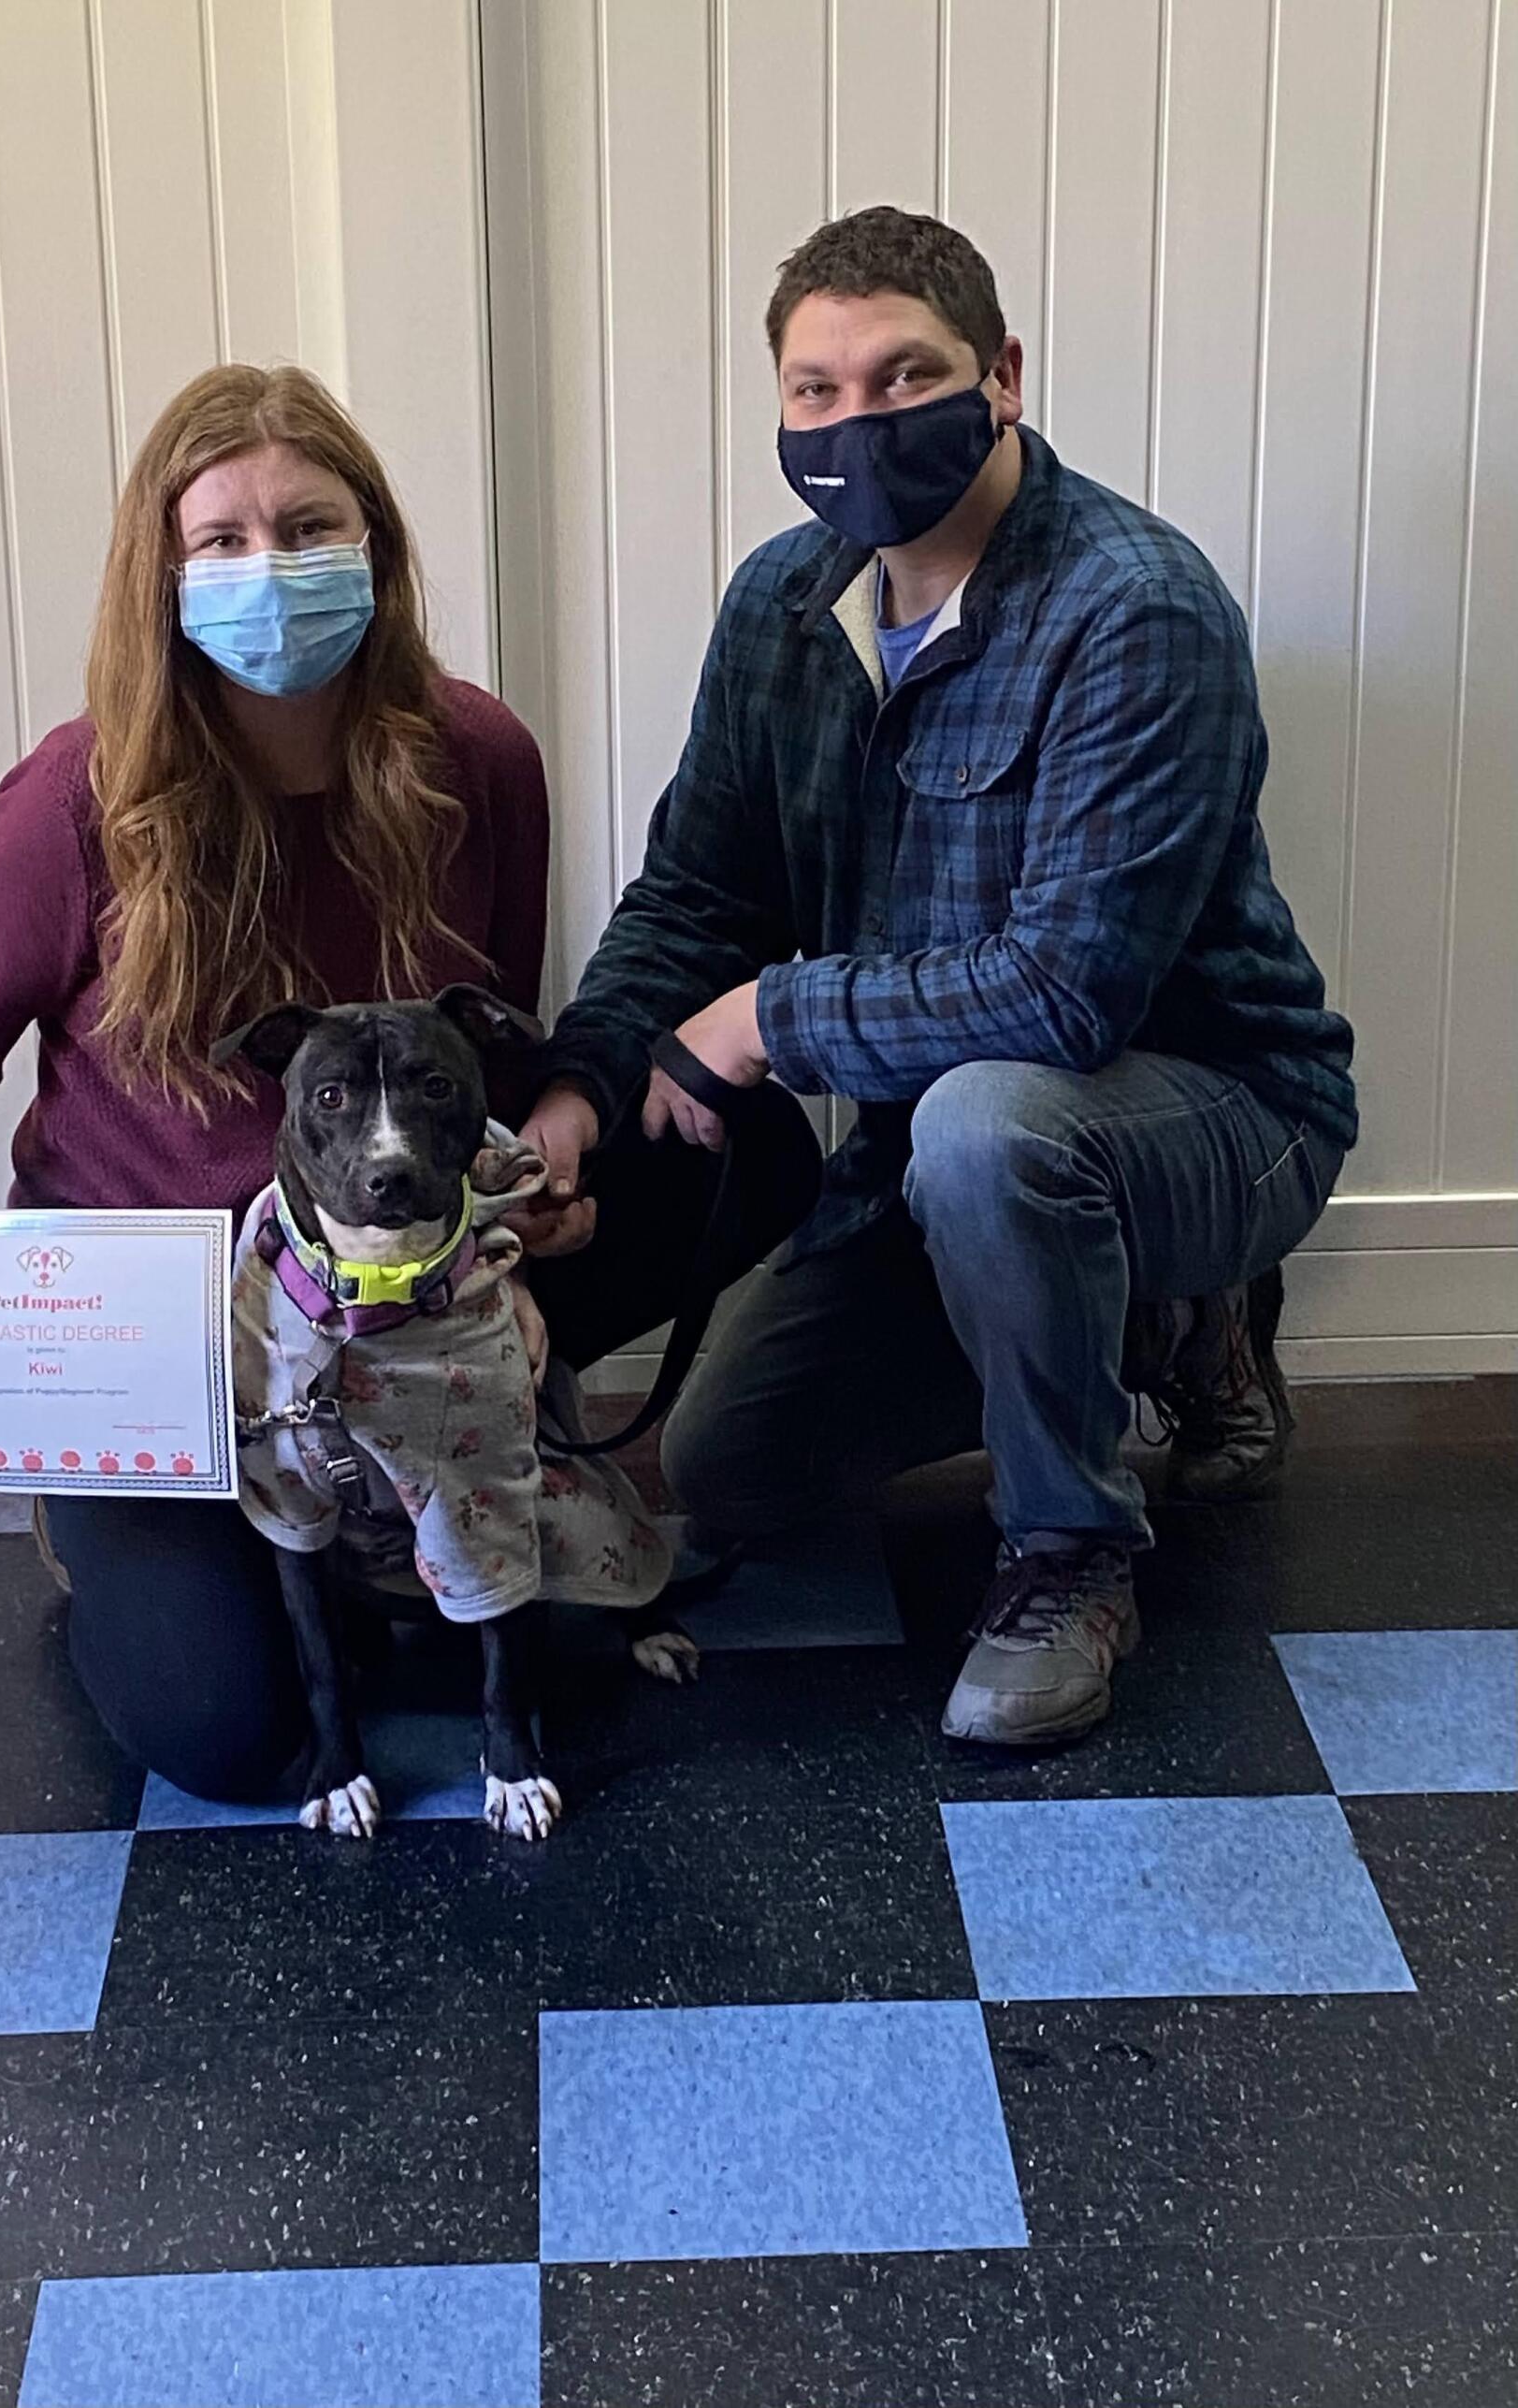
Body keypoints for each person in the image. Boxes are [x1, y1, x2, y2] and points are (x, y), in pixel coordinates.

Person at [0, 362, 817, 1802]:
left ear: (379, 550)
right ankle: (166, 1518)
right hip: (179, 1335)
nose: (268, 570)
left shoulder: (480, 758)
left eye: (307, 528)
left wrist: (529, 1201)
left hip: (423, 1256)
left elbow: (498, 1040)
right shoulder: (74, 803)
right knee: (237, 1738)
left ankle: (429, 1460)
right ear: (160, 574)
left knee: (747, 1141)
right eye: (221, 539)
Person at [516, 208, 1357, 1749]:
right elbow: (701, 889)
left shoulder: (1136, 608)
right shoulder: (782, 602)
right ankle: (1145, 1327)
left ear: (1005, 375)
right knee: (723, 1471)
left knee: (992, 1126)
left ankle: (1072, 1549)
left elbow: (1067, 998)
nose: (861, 423)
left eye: (906, 376)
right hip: (946, 1155)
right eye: (817, 392)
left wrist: (768, 1018)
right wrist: (583, 1078)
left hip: (1224, 1109)